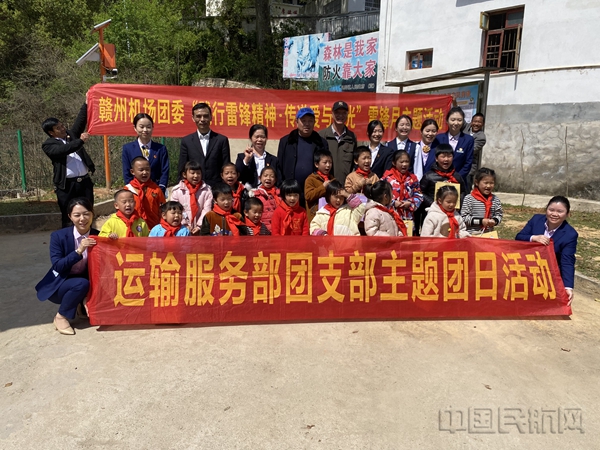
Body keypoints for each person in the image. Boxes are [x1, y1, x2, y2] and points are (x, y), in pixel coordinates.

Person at [35, 198, 98, 335]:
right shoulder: (58, 236)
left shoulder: (98, 236)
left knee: (89, 283)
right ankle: (61, 317)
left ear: (92, 214)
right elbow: (58, 266)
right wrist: (79, 251)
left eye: (86, 214)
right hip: (60, 284)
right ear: (70, 216)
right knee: (81, 284)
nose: (82, 219)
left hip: (86, 281)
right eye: (77, 215)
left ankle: (80, 303)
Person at [516, 196, 578, 304]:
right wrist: (533, 238)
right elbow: (519, 237)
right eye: (551, 210)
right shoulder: (536, 220)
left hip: (548, 275)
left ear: (567, 214)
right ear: (546, 209)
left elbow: (567, 261)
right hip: (527, 269)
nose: (554, 214)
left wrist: (568, 287)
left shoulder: (570, 234)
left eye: (560, 211)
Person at [42, 102, 95, 228]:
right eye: (58, 128)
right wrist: (80, 141)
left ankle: (88, 236)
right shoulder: (48, 145)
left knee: (87, 212)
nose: (63, 129)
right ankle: (69, 238)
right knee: (69, 215)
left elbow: (80, 121)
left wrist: (86, 103)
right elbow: (64, 150)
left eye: (62, 126)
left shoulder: (71, 135)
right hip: (67, 186)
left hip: (84, 183)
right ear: (51, 132)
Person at [417, 144, 466, 236]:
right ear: (436, 158)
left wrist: (457, 204)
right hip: (433, 213)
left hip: (451, 213)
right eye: (443, 156)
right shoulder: (428, 176)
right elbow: (420, 193)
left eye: (449, 156)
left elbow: (463, 191)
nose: (446, 159)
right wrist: (434, 204)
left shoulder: (457, 176)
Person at [178, 102, 231, 187]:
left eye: (205, 116)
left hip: (216, 188)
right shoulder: (187, 141)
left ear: (211, 117)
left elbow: (226, 166)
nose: (202, 119)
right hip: (194, 187)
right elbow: (182, 167)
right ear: (193, 118)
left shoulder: (221, 140)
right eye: (198, 116)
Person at [278, 107, 328, 193]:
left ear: (314, 122)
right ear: (296, 122)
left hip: (315, 191)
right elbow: (279, 166)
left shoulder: (321, 143)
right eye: (303, 121)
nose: (307, 124)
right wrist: (281, 187)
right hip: (290, 192)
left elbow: (327, 166)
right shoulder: (286, 141)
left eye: (310, 121)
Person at [122, 113, 169, 194]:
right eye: (141, 127)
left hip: (155, 192)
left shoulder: (161, 149)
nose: (145, 130)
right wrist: (133, 191)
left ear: (152, 128)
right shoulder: (128, 149)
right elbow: (127, 173)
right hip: (136, 192)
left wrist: (160, 190)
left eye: (148, 127)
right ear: (135, 128)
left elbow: (165, 171)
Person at [169, 161, 213, 235]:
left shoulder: (207, 190)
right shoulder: (177, 191)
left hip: (202, 229)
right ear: (184, 174)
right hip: (181, 228)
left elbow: (207, 210)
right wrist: (185, 224)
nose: (196, 176)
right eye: (192, 173)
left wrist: (199, 226)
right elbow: (176, 209)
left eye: (198, 173)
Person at [318, 101, 357, 184]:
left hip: (345, 186)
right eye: (337, 113)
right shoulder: (321, 135)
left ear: (347, 115)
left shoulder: (352, 137)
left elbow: (354, 163)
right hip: (325, 185)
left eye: (343, 113)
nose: (340, 116)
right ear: (332, 114)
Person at [432, 106, 474, 179]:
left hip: (459, 179)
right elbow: (434, 159)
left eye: (459, 120)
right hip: (439, 179)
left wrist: (456, 178)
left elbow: (468, 163)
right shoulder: (438, 138)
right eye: (453, 120)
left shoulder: (468, 140)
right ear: (447, 121)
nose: (456, 123)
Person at [125, 157, 166, 229]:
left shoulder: (156, 189)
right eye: (141, 170)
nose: (145, 172)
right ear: (132, 171)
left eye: (147, 170)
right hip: (134, 229)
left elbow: (164, 210)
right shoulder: (128, 190)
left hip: (153, 229)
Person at [382, 150, 423, 223]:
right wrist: (393, 202)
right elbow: (380, 194)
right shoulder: (387, 178)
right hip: (390, 215)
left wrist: (410, 202)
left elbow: (419, 195)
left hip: (407, 217)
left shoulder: (412, 178)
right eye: (401, 162)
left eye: (407, 162)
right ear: (394, 163)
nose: (404, 164)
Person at [461, 167, 503, 234]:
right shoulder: (469, 198)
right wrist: (481, 221)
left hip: (488, 234)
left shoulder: (495, 200)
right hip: (472, 234)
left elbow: (499, 215)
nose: (488, 186)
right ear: (476, 182)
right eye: (485, 183)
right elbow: (464, 218)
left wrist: (494, 221)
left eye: (491, 183)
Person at [304, 149, 335, 224]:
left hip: (329, 215)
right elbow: (308, 196)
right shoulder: (311, 179)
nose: (328, 165)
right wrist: (323, 187)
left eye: (330, 162)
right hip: (315, 216)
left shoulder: (332, 179)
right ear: (316, 164)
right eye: (325, 162)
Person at [249, 166, 281, 232]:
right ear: (260, 178)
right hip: (262, 229)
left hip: (278, 228)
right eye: (265, 175)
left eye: (272, 176)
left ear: (275, 180)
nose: (268, 178)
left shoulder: (279, 194)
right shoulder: (255, 194)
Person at [464, 113, 487, 189]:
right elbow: (459, 117)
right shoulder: (465, 127)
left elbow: (471, 151)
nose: (476, 124)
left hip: (468, 168)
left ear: (483, 124)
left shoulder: (481, 137)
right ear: (471, 121)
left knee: (465, 189)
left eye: (479, 122)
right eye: (475, 121)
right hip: (456, 165)